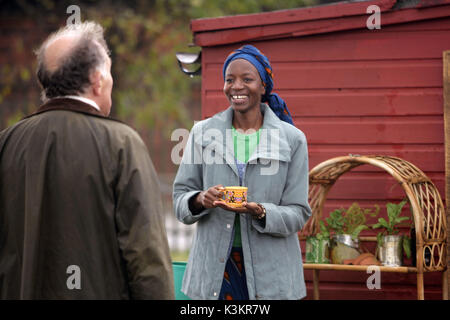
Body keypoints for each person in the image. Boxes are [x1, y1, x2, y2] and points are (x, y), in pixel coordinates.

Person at [0, 21, 174, 299]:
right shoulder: (121, 143)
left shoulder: (7, 142)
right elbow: (146, 256)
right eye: (108, 70)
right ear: (97, 79)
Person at [173, 44, 312, 300]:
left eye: (247, 79)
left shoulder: (292, 140)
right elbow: (180, 198)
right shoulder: (202, 134)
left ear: (263, 85)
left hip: (271, 277)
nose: (236, 86)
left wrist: (261, 211)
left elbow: (298, 213)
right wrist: (200, 199)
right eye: (229, 79)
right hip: (214, 271)